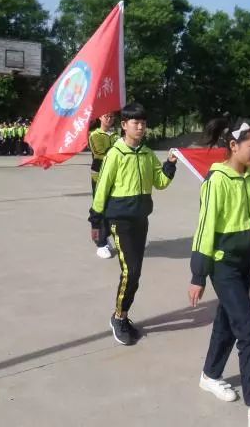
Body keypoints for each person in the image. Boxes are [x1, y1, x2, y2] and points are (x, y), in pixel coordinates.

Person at [189, 117, 250, 427]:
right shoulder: (216, 181)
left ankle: (210, 375)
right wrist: (198, 275)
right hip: (223, 264)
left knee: (227, 322)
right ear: (233, 145)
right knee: (249, 329)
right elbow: (205, 229)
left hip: (244, 262)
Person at [89, 102, 178, 346]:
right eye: (135, 123)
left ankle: (124, 314)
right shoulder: (115, 155)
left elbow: (160, 182)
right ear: (124, 126)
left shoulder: (148, 155)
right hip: (120, 221)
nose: (140, 127)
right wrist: (96, 220)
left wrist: (170, 164)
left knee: (135, 273)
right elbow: (102, 188)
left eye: (143, 123)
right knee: (131, 271)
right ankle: (118, 317)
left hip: (141, 220)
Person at [88, 112, 119, 259]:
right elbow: (100, 153)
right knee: (100, 208)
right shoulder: (95, 135)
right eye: (106, 116)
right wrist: (119, 151)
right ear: (100, 117)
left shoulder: (116, 135)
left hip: (115, 177)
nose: (109, 119)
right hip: (99, 176)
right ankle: (101, 243)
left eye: (112, 117)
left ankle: (107, 237)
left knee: (113, 208)